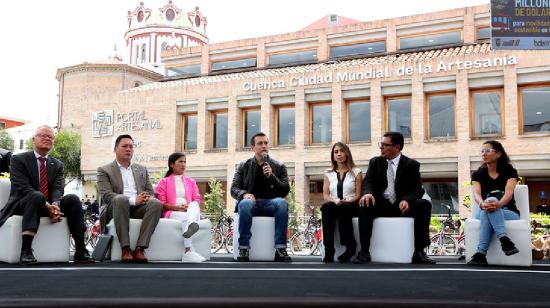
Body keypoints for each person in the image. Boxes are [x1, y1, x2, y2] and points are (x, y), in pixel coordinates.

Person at [0, 125, 93, 264]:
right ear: (34, 139)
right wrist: (46, 204)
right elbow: (22, 187)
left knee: (72, 199)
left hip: (49, 205)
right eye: (43, 136)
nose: (47, 138)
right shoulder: (18, 159)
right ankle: (26, 250)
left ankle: (80, 249)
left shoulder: (57, 164)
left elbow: (58, 188)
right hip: (24, 203)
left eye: (50, 137)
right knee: (36, 196)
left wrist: (55, 204)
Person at [353, 131, 435, 264]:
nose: (381, 147)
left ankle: (419, 252)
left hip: (402, 206)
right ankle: (364, 252)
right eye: (381, 144)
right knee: (365, 204)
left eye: (385, 145)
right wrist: (367, 193)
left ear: (397, 147)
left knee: (424, 204)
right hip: (381, 204)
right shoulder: (375, 162)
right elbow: (368, 182)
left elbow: (417, 188)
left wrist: (407, 200)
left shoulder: (411, 164)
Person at [97, 134, 162, 263]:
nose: (129, 149)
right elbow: (106, 195)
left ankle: (139, 249)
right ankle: (125, 249)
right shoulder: (104, 170)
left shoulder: (141, 169)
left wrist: (145, 198)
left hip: (138, 208)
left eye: (131, 147)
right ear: (115, 149)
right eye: (125, 146)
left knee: (156, 203)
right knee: (121, 199)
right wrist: (132, 200)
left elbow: (150, 192)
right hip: (115, 208)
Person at [231, 132, 291, 262]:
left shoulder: (279, 166)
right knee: (245, 203)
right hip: (251, 204)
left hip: (271, 204)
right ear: (253, 148)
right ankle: (244, 247)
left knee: (282, 203)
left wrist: (272, 176)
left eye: (266, 143)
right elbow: (233, 189)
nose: (264, 146)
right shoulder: (243, 166)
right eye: (260, 143)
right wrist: (244, 194)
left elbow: (285, 190)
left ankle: (280, 249)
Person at [467, 140, 521, 266]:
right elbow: (477, 194)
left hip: (509, 212)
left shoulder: (509, 170)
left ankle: (480, 254)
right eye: (482, 151)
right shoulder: (478, 174)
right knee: (489, 205)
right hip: (482, 210)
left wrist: (499, 205)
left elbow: (509, 193)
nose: (483, 154)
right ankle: (504, 239)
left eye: (487, 150)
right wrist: (482, 204)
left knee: (492, 203)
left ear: (498, 154)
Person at [155, 152, 206, 263]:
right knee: (185, 218)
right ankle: (188, 249)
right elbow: (161, 204)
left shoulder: (190, 181)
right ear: (172, 164)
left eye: (185, 162)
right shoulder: (164, 182)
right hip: (172, 212)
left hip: (190, 210)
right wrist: (177, 207)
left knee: (194, 205)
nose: (183, 164)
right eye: (180, 162)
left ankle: (191, 224)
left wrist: (188, 207)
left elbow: (196, 199)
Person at [321, 142, 362, 263]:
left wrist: (346, 201)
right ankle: (329, 249)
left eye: (342, 151)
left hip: (351, 204)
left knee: (343, 207)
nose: (339, 154)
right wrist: (335, 201)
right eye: (336, 152)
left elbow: (358, 195)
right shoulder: (328, 173)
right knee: (327, 207)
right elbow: (326, 195)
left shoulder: (356, 172)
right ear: (333, 156)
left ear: (347, 153)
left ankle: (350, 246)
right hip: (334, 204)